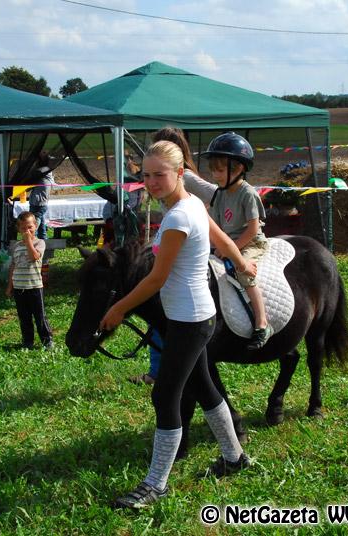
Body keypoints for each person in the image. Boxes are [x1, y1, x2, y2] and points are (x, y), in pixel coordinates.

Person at [100, 141, 255, 509]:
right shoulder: (193, 206)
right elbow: (221, 239)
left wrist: (119, 309)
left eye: (159, 174)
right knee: (204, 387)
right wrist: (240, 264)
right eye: (146, 175)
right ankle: (235, 458)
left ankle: (156, 484)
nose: (151, 181)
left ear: (180, 173)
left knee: (164, 395)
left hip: (189, 320)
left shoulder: (178, 217)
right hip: (194, 316)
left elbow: (156, 278)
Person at [204, 132, 271, 350]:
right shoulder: (220, 194)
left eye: (220, 170)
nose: (215, 175)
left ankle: (262, 323)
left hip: (250, 243)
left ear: (239, 168)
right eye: (213, 169)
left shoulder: (247, 193)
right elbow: (215, 226)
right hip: (228, 243)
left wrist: (232, 250)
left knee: (244, 272)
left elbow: (252, 230)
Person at [6, 211, 53, 350]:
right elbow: (13, 266)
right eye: (23, 228)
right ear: (18, 229)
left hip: (34, 287)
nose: (27, 230)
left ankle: (47, 340)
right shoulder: (16, 246)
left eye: (30, 227)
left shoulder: (39, 243)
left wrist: (28, 242)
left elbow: (34, 257)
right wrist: (10, 286)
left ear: (36, 226)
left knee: (40, 316)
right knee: (24, 317)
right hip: (19, 287)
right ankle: (28, 341)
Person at [28, 151, 54, 240]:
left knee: (34, 223)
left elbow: (32, 175)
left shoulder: (43, 170)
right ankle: (44, 240)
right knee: (41, 224)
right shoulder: (45, 170)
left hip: (38, 203)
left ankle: (31, 238)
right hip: (38, 202)